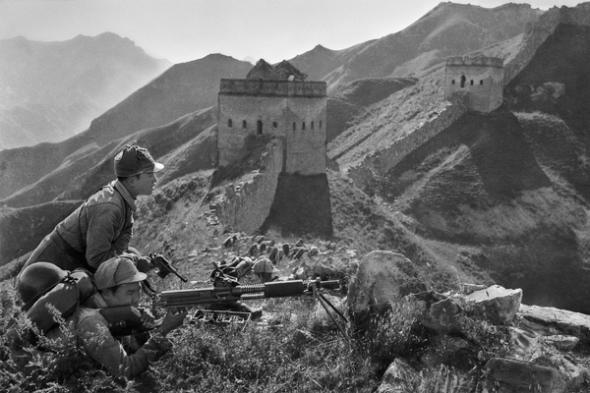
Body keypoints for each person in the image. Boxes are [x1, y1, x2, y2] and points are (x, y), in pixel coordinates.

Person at [22, 144, 163, 274]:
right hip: (48, 268)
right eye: (150, 175)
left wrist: (140, 260)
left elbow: (118, 250)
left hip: (69, 263)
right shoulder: (109, 208)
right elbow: (97, 260)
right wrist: (136, 262)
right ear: (132, 181)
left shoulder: (123, 202)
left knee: (132, 255)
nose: (155, 180)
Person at [76, 256, 187, 379]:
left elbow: (134, 348)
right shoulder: (91, 323)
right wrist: (163, 332)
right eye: (129, 293)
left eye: (138, 291)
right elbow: (126, 370)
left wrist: (157, 325)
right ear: (107, 293)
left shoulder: (116, 313)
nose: (136, 299)